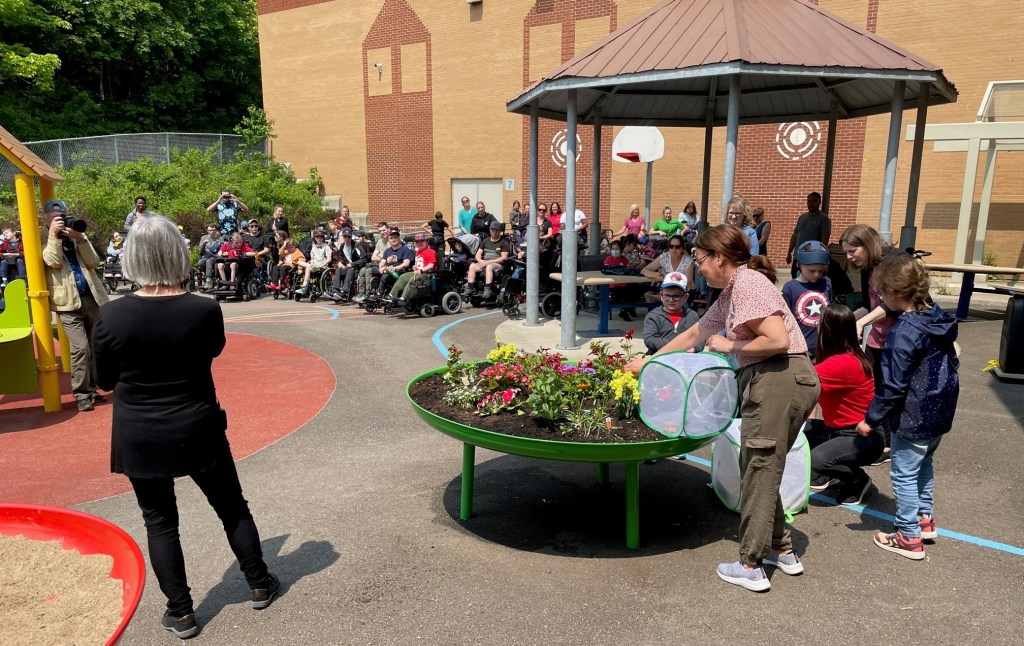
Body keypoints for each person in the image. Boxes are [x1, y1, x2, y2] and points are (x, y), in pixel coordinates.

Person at [91, 216, 279, 639]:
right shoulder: (204, 308)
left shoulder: (112, 316)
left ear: (132, 257)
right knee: (231, 506)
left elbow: (102, 380)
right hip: (197, 421)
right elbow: (212, 350)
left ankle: (182, 612)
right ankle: (259, 582)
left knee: (159, 521)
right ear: (177, 253)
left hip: (140, 430)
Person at [626, 225, 819, 593]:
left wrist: (729, 346)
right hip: (785, 381)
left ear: (719, 257)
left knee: (759, 468)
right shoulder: (731, 293)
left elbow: (776, 340)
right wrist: (649, 363)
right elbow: (693, 336)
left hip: (778, 379)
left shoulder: (747, 284)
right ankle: (781, 548)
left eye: (700, 260)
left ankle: (751, 565)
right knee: (761, 465)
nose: (699, 269)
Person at [856, 254, 959, 560]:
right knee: (924, 463)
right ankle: (924, 520)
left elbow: (892, 386)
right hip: (940, 406)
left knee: (903, 473)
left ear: (894, 293)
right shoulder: (937, 316)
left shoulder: (903, 333)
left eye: (883, 292)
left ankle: (908, 536)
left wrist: (870, 420)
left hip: (913, 413)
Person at [805, 304, 882, 505]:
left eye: (819, 323)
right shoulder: (843, 355)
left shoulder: (841, 363)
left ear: (829, 331)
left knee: (816, 459)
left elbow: (798, 379)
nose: (816, 326)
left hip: (862, 437)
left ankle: (858, 480)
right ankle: (832, 473)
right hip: (839, 430)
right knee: (799, 433)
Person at [839, 224, 903, 463]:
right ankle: (881, 441)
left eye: (852, 250)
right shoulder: (866, 268)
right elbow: (871, 304)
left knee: (893, 389)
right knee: (875, 386)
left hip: (899, 339)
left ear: (867, 245)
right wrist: (845, 321)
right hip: (878, 338)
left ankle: (890, 445)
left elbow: (893, 302)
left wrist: (861, 323)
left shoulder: (894, 263)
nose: (849, 257)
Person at [41, 199, 110, 412]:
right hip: (67, 303)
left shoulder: (74, 234)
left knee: (93, 346)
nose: (60, 221)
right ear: (45, 219)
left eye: (62, 217)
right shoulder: (41, 237)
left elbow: (92, 262)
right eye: (55, 219)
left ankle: (91, 389)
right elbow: (52, 261)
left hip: (90, 298)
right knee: (80, 348)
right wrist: (54, 235)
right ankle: (81, 394)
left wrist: (80, 239)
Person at [782, 240, 832, 359]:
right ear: (798, 265)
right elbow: (785, 318)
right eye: (812, 271)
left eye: (821, 271)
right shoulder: (790, 287)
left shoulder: (827, 282)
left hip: (823, 344)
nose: (816, 275)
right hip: (801, 346)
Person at [642, 272, 701, 354]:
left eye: (676, 296)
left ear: (685, 297)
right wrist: (677, 346)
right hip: (659, 357)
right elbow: (650, 339)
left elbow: (701, 338)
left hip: (686, 358)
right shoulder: (653, 316)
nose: (671, 300)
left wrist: (695, 347)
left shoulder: (692, 315)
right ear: (661, 296)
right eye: (667, 295)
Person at [786, 192, 831, 279]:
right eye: (809, 201)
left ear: (819, 202)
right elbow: (795, 235)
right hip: (798, 257)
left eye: (815, 201)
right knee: (795, 280)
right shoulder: (802, 217)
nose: (811, 203)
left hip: (812, 258)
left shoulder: (824, 219)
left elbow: (824, 241)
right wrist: (789, 252)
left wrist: (820, 258)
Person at [462, 220, 510, 300]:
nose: (495, 232)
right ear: (490, 230)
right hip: (484, 262)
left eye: (497, 230)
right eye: (493, 230)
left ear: (500, 231)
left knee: (489, 267)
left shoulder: (504, 242)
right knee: (472, 266)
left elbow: (504, 258)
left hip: (497, 264)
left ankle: (487, 289)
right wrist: (480, 261)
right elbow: (477, 254)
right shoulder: (485, 241)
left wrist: (491, 262)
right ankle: (470, 288)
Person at [640, 234, 694, 303]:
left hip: (684, 292)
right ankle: (656, 313)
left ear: (682, 248)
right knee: (648, 295)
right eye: (671, 246)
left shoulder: (688, 261)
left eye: (677, 247)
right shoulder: (664, 257)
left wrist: (668, 276)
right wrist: (658, 274)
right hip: (667, 291)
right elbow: (644, 270)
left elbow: (688, 284)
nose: (674, 249)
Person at [388, 233, 437, 306]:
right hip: (417, 272)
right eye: (417, 242)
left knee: (412, 279)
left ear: (427, 242)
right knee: (403, 277)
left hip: (427, 274)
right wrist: (414, 266)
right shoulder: (418, 252)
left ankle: (403, 298)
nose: (419, 243)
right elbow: (419, 263)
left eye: (422, 241)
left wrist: (421, 270)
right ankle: (392, 296)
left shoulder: (430, 251)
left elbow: (431, 265)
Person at [295, 228, 331, 296]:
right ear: (314, 238)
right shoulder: (313, 246)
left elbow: (328, 259)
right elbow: (312, 258)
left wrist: (321, 265)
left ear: (323, 238)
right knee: (299, 262)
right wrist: (312, 263)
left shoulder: (326, 247)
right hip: (314, 265)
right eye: (317, 236)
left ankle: (304, 287)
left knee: (308, 268)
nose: (319, 238)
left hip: (322, 266)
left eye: (321, 236)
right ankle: (301, 285)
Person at [329, 229, 362, 302]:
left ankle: (344, 292)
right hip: (347, 267)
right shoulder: (342, 246)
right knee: (338, 270)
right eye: (345, 237)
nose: (346, 238)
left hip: (356, 268)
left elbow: (363, 259)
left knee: (350, 271)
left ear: (351, 237)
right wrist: (340, 262)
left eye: (348, 237)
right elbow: (342, 258)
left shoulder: (357, 246)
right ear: (342, 237)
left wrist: (352, 264)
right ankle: (335, 290)